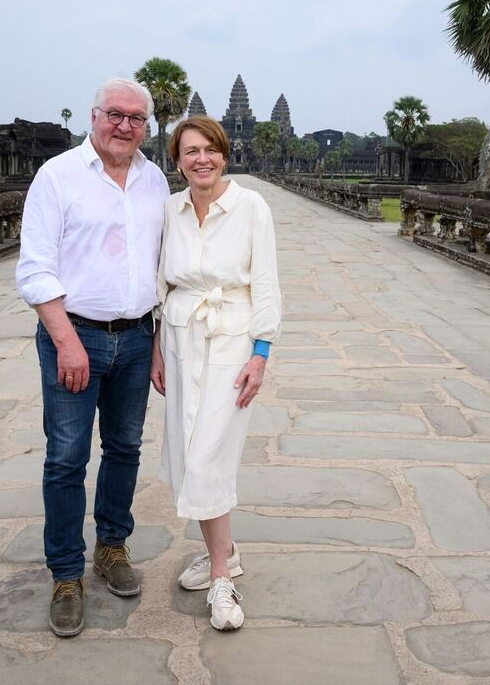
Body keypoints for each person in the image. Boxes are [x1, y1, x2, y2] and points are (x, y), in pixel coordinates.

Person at [15, 78, 168, 638]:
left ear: (145, 126)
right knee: (66, 458)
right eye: (115, 115)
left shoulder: (154, 179)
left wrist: (156, 344)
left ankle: (111, 546)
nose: (124, 126)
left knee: (125, 448)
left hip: (135, 337)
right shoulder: (57, 176)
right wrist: (66, 341)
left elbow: (161, 269)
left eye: (136, 118)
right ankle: (65, 573)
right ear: (94, 115)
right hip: (73, 335)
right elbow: (35, 269)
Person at [151, 116, 282, 631]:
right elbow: (163, 287)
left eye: (209, 149)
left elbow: (267, 284)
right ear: (177, 160)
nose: (200, 159)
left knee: (209, 453)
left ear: (224, 155)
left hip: (231, 340)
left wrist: (261, 353)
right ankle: (221, 549)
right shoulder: (171, 209)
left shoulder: (251, 206)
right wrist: (159, 351)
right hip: (182, 338)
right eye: (189, 152)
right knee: (187, 449)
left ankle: (222, 578)